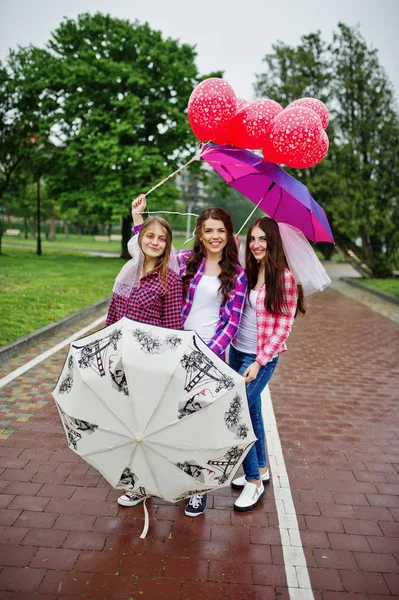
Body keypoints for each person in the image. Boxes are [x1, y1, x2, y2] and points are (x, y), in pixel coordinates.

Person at [119, 194, 248, 516]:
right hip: (170, 350)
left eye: (220, 230)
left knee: (198, 425)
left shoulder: (238, 275)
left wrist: (205, 355)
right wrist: (138, 219)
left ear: (229, 235)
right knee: (157, 422)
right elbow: (151, 247)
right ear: (200, 234)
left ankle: (196, 489)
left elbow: (231, 322)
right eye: (207, 230)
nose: (214, 236)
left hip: (208, 358)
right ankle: (143, 485)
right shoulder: (187, 259)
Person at [106, 211, 184, 509]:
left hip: (151, 366)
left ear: (167, 246)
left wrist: (165, 369)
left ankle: (141, 484)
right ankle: (139, 478)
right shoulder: (128, 271)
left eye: (162, 239)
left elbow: (174, 328)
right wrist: (108, 350)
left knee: (144, 426)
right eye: (149, 236)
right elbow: (112, 316)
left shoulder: (170, 280)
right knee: (127, 422)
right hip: (122, 360)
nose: (155, 242)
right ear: (139, 238)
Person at [229, 217, 306, 512]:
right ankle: (260, 468)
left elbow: (284, 326)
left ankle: (254, 482)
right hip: (236, 350)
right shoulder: (248, 270)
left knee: (237, 410)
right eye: (253, 239)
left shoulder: (283, 277)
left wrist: (260, 362)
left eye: (263, 239)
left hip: (260, 357)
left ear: (273, 242)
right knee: (252, 410)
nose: (257, 244)